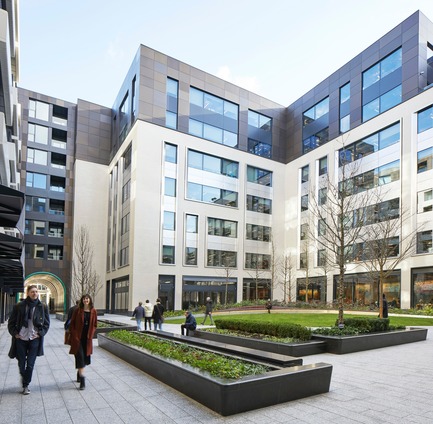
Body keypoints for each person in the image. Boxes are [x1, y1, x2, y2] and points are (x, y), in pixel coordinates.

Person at [7, 284, 50, 395]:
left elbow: (46, 324)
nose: (34, 293)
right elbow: (11, 323)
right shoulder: (19, 306)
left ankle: (26, 385)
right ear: (28, 293)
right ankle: (24, 377)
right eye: (32, 291)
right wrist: (15, 333)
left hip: (34, 338)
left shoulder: (43, 306)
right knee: (22, 364)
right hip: (21, 338)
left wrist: (40, 334)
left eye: (36, 291)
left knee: (30, 364)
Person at [69, 294, 98, 390]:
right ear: (82, 300)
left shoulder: (93, 311)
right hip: (78, 339)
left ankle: (79, 373)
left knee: (85, 359)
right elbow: (72, 323)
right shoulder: (77, 310)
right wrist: (74, 334)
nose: (86, 300)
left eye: (87, 299)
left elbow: (95, 324)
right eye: (84, 299)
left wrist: (92, 333)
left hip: (87, 339)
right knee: (80, 357)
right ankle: (82, 381)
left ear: (90, 300)